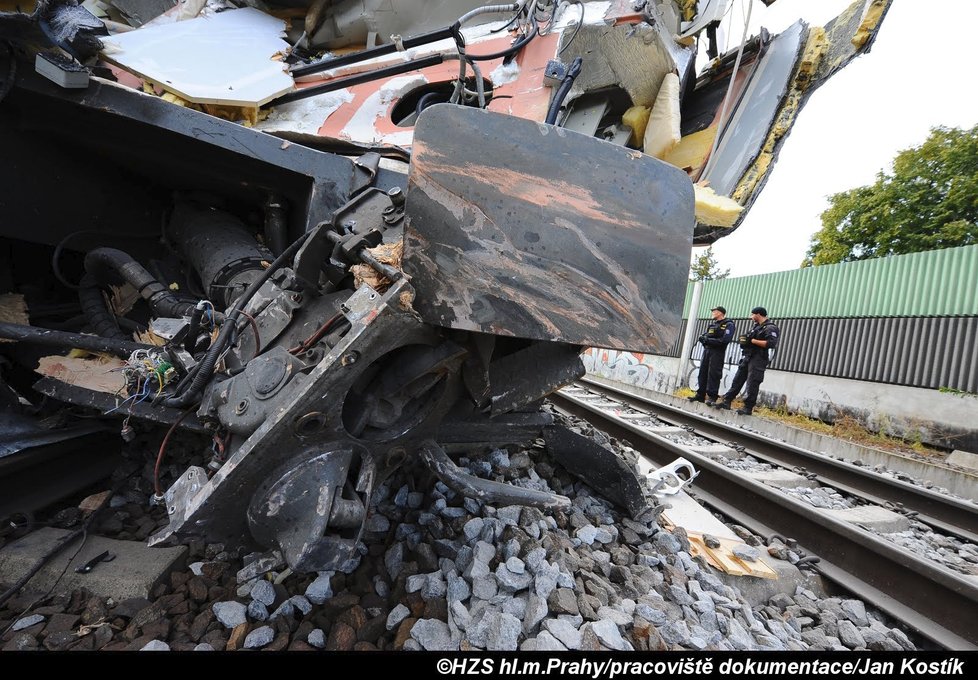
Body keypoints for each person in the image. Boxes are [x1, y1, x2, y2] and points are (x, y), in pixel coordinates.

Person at [713, 306, 780, 415]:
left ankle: (748, 408)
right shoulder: (756, 327)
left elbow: (771, 343)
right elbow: (749, 339)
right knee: (738, 379)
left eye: (752, 315)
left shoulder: (770, 328)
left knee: (752, 382)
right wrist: (744, 341)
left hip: (758, 358)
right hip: (748, 356)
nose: (751, 317)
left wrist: (752, 341)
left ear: (758, 314)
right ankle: (727, 401)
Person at [687, 306, 735, 405]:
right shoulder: (712, 325)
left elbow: (724, 340)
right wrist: (703, 340)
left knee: (714, 374)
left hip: (717, 352)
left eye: (714, 311)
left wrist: (708, 340)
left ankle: (712, 397)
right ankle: (700, 395)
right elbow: (704, 336)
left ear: (721, 313)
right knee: (702, 373)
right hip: (707, 351)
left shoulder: (728, 324)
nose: (712, 313)